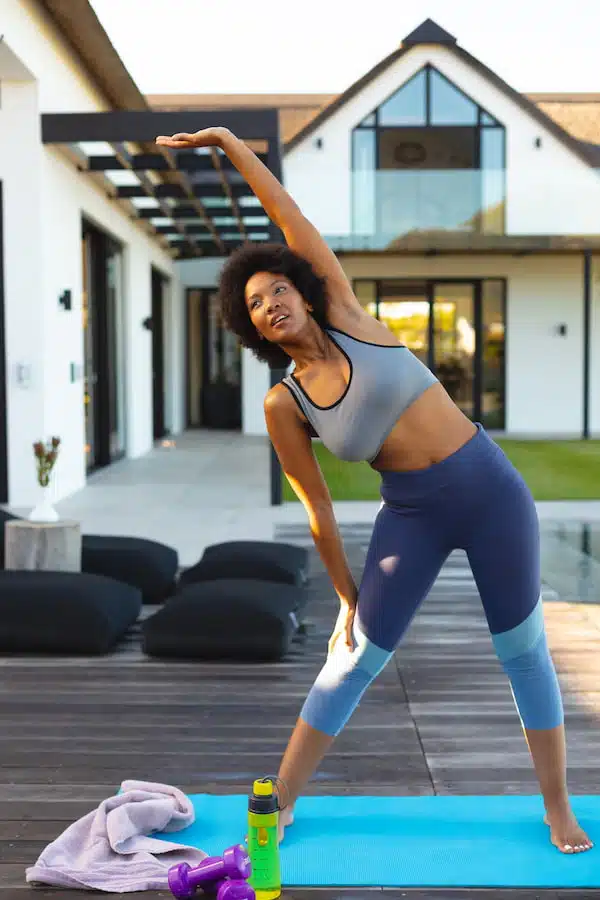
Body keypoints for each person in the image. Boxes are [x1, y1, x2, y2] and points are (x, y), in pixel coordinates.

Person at [156, 126, 593, 855]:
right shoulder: (285, 403)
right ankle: (284, 799)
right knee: (354, 655)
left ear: (301, 286)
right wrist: (344, 595)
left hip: (490, 491)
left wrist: (231, 144)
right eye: (257, 304)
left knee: (523, 651)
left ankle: (556, 807)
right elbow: (318, 509)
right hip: (411, 513)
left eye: (279, 288)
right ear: (253, 326)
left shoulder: (352, 316)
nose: (273, 304)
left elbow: (289, 215)